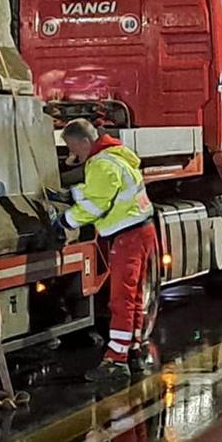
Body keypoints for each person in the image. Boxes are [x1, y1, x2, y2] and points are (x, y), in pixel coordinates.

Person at [57, 118, 156, 383]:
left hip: (128, 236)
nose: (71, 154)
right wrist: (74, 194)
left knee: (121, 299)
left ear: (85, 141)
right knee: (134, 296)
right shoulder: (116, 156)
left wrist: (65, 221)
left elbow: (96, 206)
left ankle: (115, 361)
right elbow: (103, 192)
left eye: (72, 147)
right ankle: (133, 350)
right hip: (143, 231)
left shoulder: (100, 164)